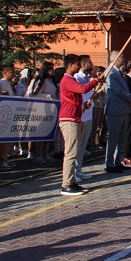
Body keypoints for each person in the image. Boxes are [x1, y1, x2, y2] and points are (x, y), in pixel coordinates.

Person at [58, 54, 101, 196]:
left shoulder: (70, 80)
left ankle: (71, 181)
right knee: (70, 152)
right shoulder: (67, 80)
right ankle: (66, 184)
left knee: (74, 151)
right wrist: (96, 80)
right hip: (68, 119)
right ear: (70, 65)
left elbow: (77, 96)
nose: (80, 66)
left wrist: (84, 106)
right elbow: (82, 89)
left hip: (75, 117)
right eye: (77, 64)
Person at [104, 50, 131, 174]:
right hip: (114, 109)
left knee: (121, 138)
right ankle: (109, 163)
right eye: (122, 56)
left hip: (122, 109)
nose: (123, 59)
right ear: (116, 58)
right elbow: (117, 90)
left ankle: (117, 161)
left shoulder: (118, 72)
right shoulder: (110, 72)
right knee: (113, 138)